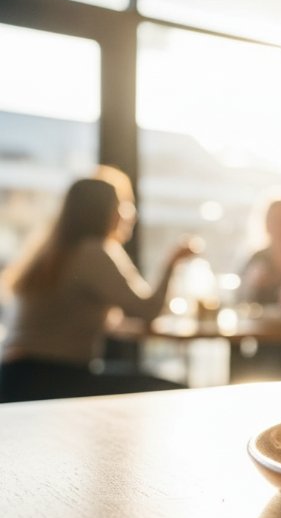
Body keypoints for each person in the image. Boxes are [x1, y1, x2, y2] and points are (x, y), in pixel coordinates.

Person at [0, 166, 194, 402]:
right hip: (53, 378)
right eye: (121, 205)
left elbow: (69, 319)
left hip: (16, 376)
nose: (128, 213)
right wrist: (172, 262)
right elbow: (148, 310)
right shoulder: (92, 252)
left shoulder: (54, 250)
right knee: (176, 393)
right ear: (105, 211)